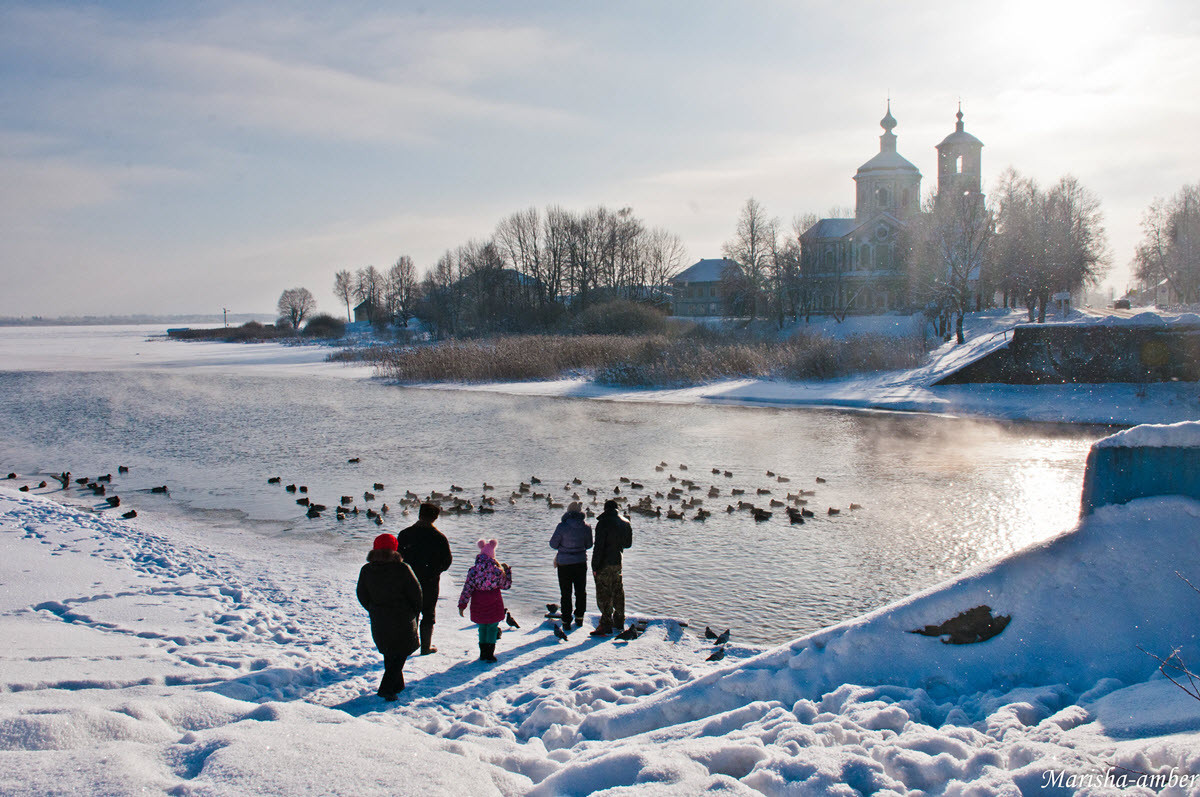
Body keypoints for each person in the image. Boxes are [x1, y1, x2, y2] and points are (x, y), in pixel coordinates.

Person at [356, 533, 422, 700]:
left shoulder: (367, 570)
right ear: (395, 549)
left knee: (389, 651)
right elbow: (416, 594)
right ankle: (386, 689)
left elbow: (362, 594)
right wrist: (414, 613)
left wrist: (373, 608)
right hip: (402, 618)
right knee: (400, 653)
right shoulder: (402, 569)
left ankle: (397, 685)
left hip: (379, 617)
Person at [396, 503, 453, 655]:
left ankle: (409, 645)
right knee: (428, 614)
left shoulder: (404, 534)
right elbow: (447, 562)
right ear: (435, 517)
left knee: (410, 613)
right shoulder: (439, 538)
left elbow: (397, 558)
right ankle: (425, 647)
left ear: (419, 514)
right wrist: (434, 571)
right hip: (430, 582)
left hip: (408, 581)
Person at [457, 538, 513, 662]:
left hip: (478, 602)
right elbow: (506, 585)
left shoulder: (473, 570)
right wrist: (507, 572)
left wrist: (462, 604)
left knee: (482, 627)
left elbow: (467, 588)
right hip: (494, 601)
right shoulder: (497, 571)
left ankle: (483, 653)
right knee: (492, 627)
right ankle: (489, 654)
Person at [590, 499, 633, 636]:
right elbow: (628, 544)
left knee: (604, 594)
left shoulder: (603, 523)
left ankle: (605, 625)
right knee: (618, 592)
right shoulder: (625, 523)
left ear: (605, 509)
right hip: (617, 563)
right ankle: (619, 621)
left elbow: (598, 547)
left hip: (603, 563)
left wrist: (594, 566)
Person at [549, 501, 592, 631]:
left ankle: (566, 620)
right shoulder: (586, 527)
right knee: (580, 591)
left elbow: (553, 544)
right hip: (580, 562)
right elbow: (589, 545)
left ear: (568, 512)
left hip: (564, 564)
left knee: (565, 593)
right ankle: (579, 618)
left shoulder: (561, 526)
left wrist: (564, 547)